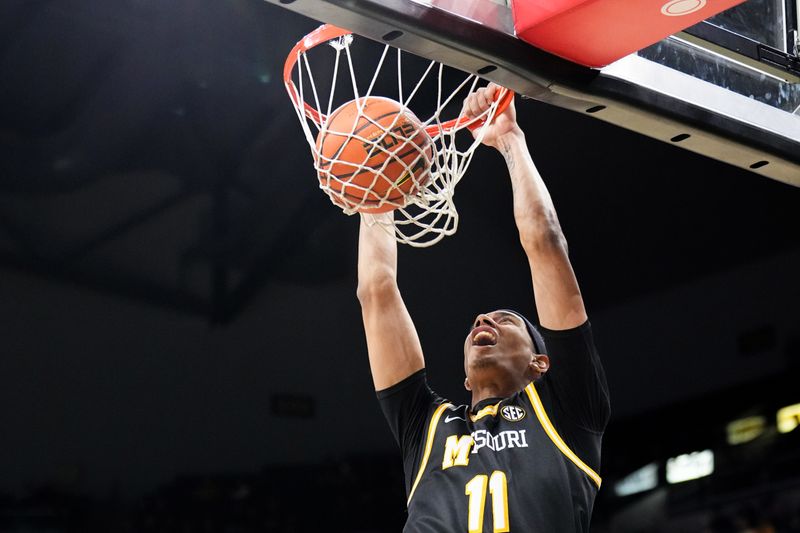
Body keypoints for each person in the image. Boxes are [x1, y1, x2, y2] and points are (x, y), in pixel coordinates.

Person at [356, 84, 610, 532]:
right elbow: (376, 290)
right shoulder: (429, 426)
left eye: (505, 320)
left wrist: (510, 140)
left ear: (540, 362)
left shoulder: (567, 410)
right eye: (481, 320)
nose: (482, 320)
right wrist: (376, 191)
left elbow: (545, 242)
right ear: (466, 377)